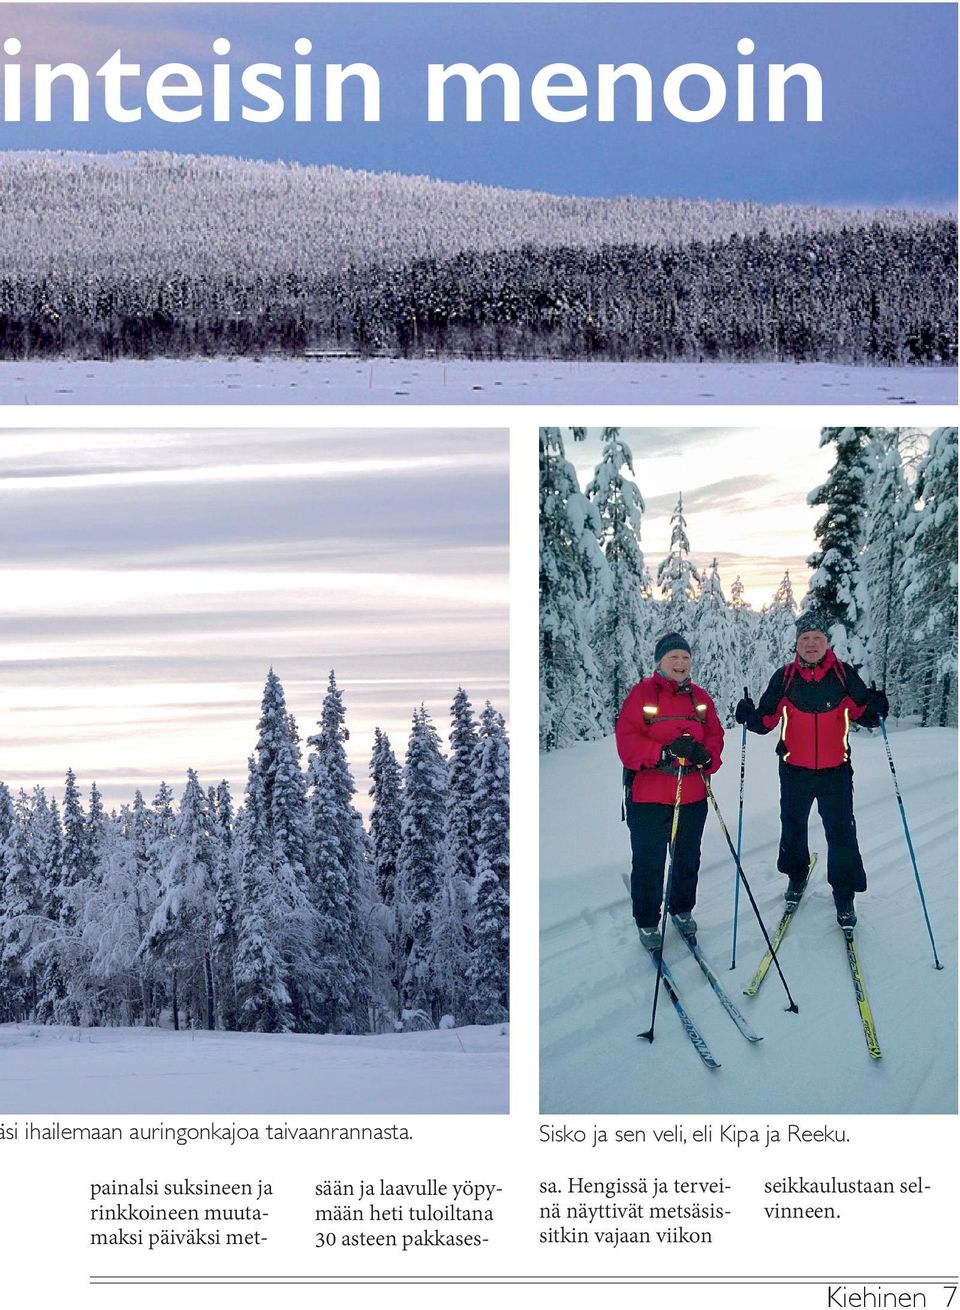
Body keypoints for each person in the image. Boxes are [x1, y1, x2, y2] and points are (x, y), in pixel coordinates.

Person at [735, 611, 888, 930]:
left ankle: (844, 894)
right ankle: (796, 875)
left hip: (836, 771)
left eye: (817, 638)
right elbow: (766, 721)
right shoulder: (785, 677)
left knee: (842, 831)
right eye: (805, 638)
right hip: (794, 770)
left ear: (827, 642)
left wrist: (877, 708)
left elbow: (865, 716)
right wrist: (749, 715)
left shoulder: (844, 676)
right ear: (796, 644)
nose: (811, 644)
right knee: (792, 826)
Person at [616, 632, 724, 951]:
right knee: (650, 862)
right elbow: (627, 742)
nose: (680, 663)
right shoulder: (643, 694)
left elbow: (715, 736)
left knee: (687, 858)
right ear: (660, 661)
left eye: (685, 658)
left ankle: (681, 908)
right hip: (649, 798)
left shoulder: (700, 698)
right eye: (673, 657)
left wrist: (707, 755)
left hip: (692, 795)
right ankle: (648, 921)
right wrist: (663, 752)